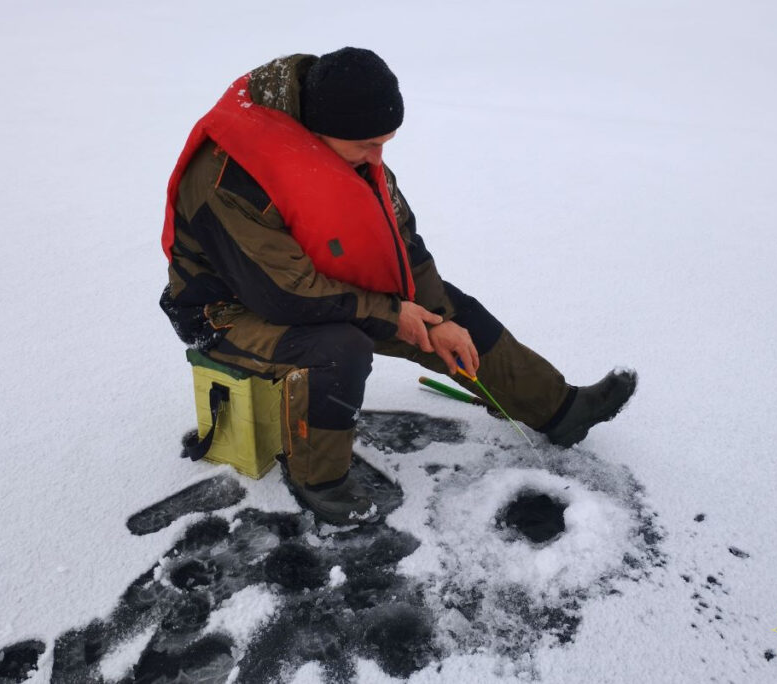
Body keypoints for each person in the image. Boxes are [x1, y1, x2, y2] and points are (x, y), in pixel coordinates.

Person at [160, 48, 637, 525]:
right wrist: (395, 316)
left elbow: (400, 242)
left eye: (385, 142)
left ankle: (559, 409)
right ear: (322, 130)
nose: (378, 156)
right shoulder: (228, 178)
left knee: (452, 310)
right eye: (368, 144)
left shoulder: (348, 151)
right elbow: (281, 294)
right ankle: (318, 480)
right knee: (336, 348)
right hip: (227, 310)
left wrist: (438, 319)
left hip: (313, 284)